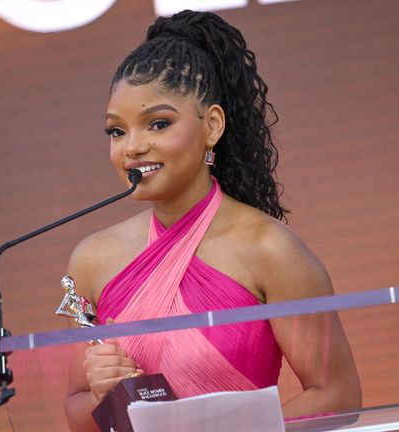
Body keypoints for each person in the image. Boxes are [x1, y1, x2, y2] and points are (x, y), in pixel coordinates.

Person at [63, 10, 361, 431]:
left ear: (212, 126)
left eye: (158, 124)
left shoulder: (270, 250)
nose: (132, 147)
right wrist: (99, 393)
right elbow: (78, 414)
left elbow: (338, 397)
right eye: (117, 131)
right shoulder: (92, 260)